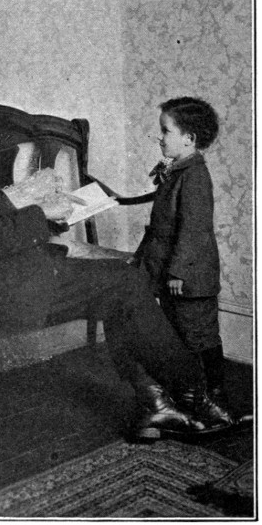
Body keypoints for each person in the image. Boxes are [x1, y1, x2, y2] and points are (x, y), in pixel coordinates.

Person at [0, 68, 234, 440]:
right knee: (127, 281)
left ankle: (158, 404)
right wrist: (41, 214)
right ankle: (195, 396)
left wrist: (40, 218)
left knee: (118, 284)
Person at [133, 97, 237, 423]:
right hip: (172, 273)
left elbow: (194, 228)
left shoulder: (194, 176)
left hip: (190, 278)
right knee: (180, 334)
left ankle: (214, 398)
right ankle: (193, 397)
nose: (160, 137)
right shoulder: (177, 171)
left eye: (166, 131)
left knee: (199, 336)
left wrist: (179, 271)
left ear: (189, 138)